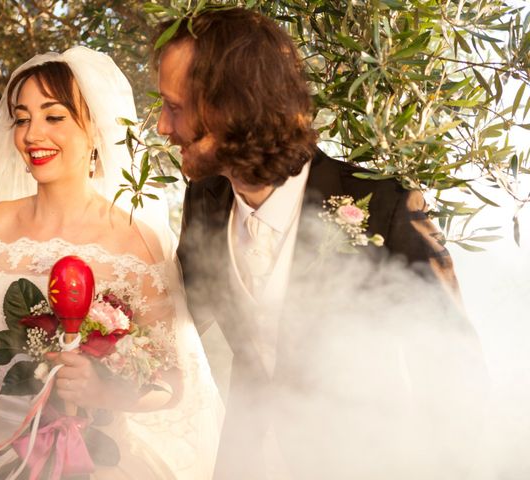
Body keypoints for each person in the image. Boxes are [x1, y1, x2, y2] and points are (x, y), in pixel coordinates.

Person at [155, 8, 487, 479]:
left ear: (230, 105)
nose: (163, 128)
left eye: (175, 106)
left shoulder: (387, 205)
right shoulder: (204, 200)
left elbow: (453, 370)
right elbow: (178, 322)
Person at [0, 47, 221, 479]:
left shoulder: (133, 238)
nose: (32, 135)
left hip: (97, 462)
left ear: (94, 128)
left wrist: (104, 390)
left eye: (54, 116)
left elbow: (172, 385)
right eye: (23, 118)